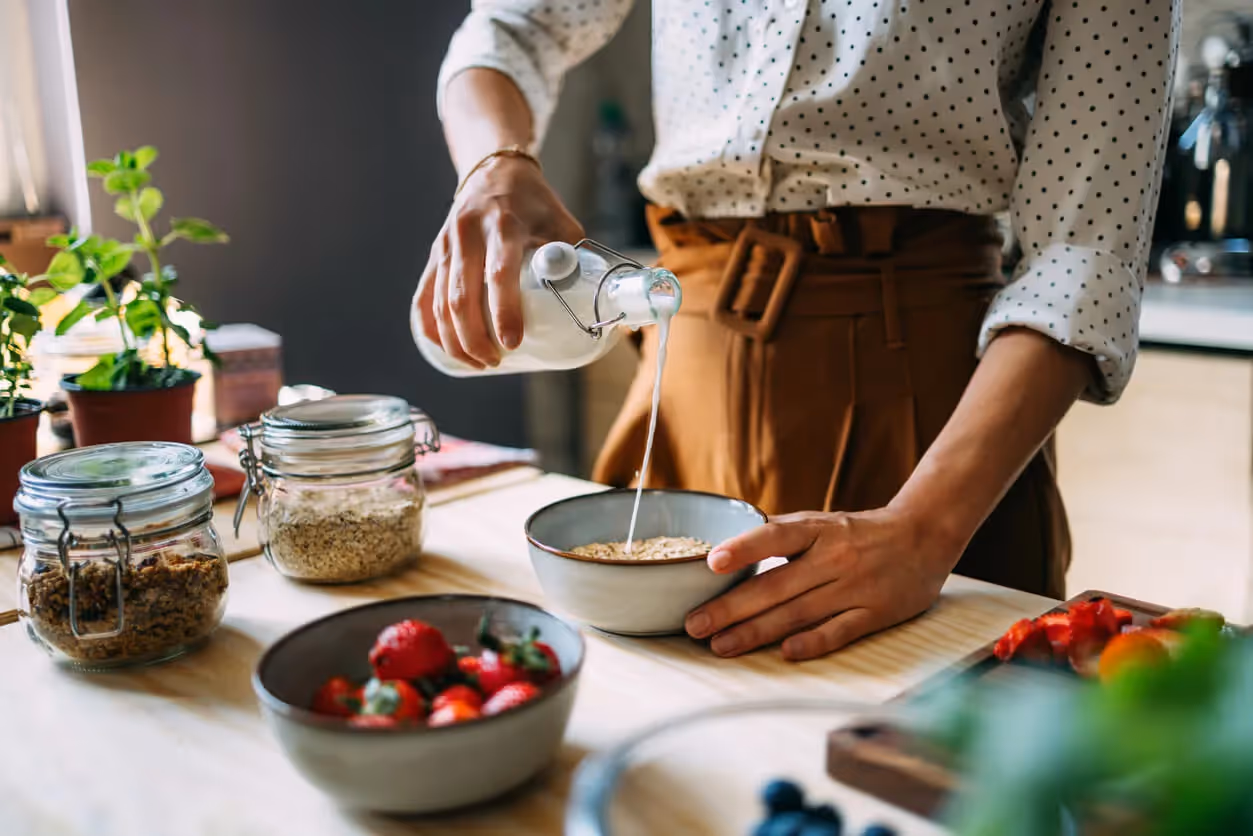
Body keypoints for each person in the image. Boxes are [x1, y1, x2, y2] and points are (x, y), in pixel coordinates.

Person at [418, 1, 1180, 661]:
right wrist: (492, 164)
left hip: (924, 412)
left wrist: (920, 531)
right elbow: (512, 28)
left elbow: (1082, 255)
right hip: (688, 364)